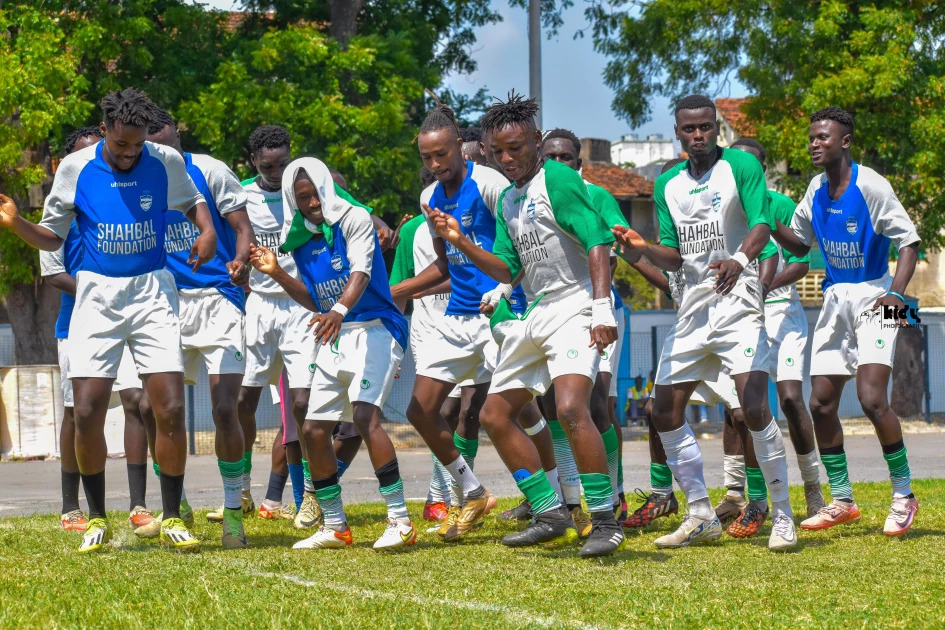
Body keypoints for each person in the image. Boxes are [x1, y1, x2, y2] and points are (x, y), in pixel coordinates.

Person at [0, 88, 216, 553]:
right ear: (104, 132)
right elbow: (50, 236)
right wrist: (17, 222)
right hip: (97, 294)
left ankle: (173, 515)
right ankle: (97, 517)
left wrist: (208, 229)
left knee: (171, 409)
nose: (129, 154)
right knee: (88, 411)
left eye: (137, 145)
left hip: (153, 291)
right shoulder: (76, 170)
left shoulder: (164, 161)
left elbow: (193, 201)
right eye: (121, 146)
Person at [430, 92, 626, 557]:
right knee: (495, 415)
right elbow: (505, 265)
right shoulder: (510, 200)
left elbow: (597, 241)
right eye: (498, 151)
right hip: (536, 312)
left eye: (516, 147)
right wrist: (461, 243)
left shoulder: (557, 179)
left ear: (536, 141)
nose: (507, 158)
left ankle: (604, 520)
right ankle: (549, 512)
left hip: (576, 305)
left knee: (572, 409)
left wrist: (600, 307)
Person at [611, 94, 797, 551]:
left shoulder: (741, 168)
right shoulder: (668, 184)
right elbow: (675, 255)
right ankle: (698, 512)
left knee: (754, 407)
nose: (699, 135)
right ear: (677, 133)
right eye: (690, 129)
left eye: (706, 128)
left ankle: (783, 513)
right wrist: (641, 247)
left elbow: (762, 226)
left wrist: (737, 259)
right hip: (693, 307)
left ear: (716, 128)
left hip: (739, 302)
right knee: (662, 410)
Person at [249, 157, 414, 550]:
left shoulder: (354, 219)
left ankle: (400, 521)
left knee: (364, 416)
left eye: (314, 194)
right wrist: (277, 273)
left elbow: (361, 272)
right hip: (335, 330)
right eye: (300, 198)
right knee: (313, 427)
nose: (310, 204)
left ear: (327, 189)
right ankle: (336, 526)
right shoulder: (301, 239)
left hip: (375, 327)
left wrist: (338, 311)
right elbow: (314, 298)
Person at [771, 107, 920, 536]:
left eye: (823, 137)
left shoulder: (871, 184)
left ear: (845, 141)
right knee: (819, 402)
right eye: (812, 137)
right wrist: (766, 217)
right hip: (836, 298)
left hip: (881, 295)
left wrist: (895, 293)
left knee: (873, 398)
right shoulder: (815, 189)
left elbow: (909, 242)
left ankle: (904, 494)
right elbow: (799, 245)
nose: (815, 144)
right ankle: (843, 500)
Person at [144, 108, 254, 548]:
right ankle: (178, 505)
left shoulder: (210, 170)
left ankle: (232, 511)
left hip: (218, 300)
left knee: (225, 407)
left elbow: (242, 229)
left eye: (169, 140)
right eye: (155, 145)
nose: (164, 149)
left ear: (177, 133)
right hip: (163, 301)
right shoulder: (141, 177)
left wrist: (240, 261)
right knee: (155, 410)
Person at [43, 127, 152, 533]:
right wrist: (101, 291)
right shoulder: (60, 215)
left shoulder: (118, 202)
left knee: (137, 401)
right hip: (77, 324)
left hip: (130, 319)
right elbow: (52, 274)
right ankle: (73, 506)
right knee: (79, 412)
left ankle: (139, 504)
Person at [730, 137, 826, 518]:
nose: (745, 170)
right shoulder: (724, 211)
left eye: (752, 163)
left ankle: (814, 488)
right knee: (741, 408)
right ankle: (749, 498)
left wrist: (766, 283)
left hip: (783, 314)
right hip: (740, 317)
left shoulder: (780, 205)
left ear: (762, 169)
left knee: (788, 399)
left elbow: (804, 262)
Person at [539, 127, 627, 523]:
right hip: (552, 315)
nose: (558, 164)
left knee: (597, 404)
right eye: (551, 158)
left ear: (579, 164)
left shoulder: (597, 196)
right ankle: (572, 500)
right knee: (553, 406)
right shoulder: (532, 197)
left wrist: (599, 303)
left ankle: (615, 494)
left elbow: (610, 248)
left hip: (599, 310)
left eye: (566, 158)